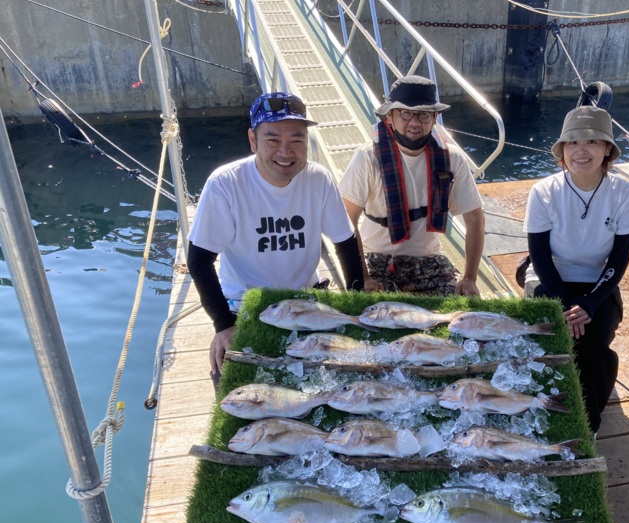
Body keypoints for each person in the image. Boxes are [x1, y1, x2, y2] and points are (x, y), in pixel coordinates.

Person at [187, 91, 364, 380]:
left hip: (306, 298)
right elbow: (199, 259)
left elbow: (344, 242)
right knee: (238, 391)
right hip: (244, 304)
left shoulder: (319, 179)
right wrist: (223, 325)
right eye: (273, 140)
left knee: (350, 378)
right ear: (253, 140)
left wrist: (358, 302)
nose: (286, 152)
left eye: (297, 140)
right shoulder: (225, 184)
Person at [523, 105, 629, 434]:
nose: (581, 150)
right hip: (551, 279)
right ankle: (544, 408)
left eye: (592, 141)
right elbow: (540, 256)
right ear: (562, 151)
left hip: (598, 284)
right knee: (550, 339)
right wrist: (565, 304)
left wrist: (589, 304)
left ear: (608, 150)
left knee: (592, 347)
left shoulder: (627, 194)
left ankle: (588, 423)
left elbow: (619, 260)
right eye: (573, 143)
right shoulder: (543, 191)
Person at [339, 75, 485, 296]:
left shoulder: (452, 159)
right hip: (374, 258)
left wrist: (469, 278)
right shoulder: (367, 157)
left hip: (428, 259)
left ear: (434, 118)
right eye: (405, 113)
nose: (415, 122)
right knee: (371, 315)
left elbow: (474, 219)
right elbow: (346, 219)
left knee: (457, 315)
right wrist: (363, 277)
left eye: (424, 114)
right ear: (390, 116)